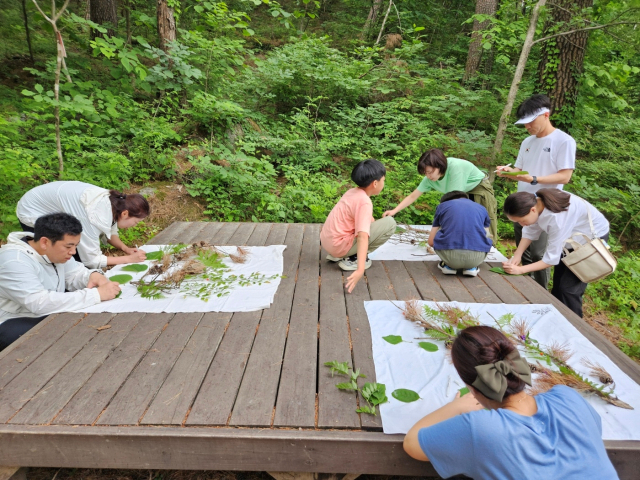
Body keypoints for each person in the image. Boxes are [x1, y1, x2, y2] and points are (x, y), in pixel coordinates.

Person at [403, 326, 619, 480]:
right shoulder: (567, 396)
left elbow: (412, 444)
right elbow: (593, 431)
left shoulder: (480, 427)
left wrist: (457, 407)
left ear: (472, 387)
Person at [0, 213, 122, 351]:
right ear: (45, 242)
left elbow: (75, 274)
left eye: (76, 246)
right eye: (68, 246)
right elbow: (38, 303)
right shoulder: (15, 261)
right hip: (10, 322)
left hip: (44, 313)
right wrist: (96, 295)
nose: (73, 252)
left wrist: (93, 275)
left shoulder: (54, 252)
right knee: (66, 335)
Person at [496, 94, 577, 289]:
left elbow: (564, 176)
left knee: (539, 254)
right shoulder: (527, 142)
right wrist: (508, 172)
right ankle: (526, 287)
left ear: (546, 115)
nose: (527, 127)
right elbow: (520, 171)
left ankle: (542, 292)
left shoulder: (563, 141)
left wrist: (534, 179)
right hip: (522, 204)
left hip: (544, 208)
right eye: (524, 123)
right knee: (522, 250)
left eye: (530, 122)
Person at [502, 188, 609, 318]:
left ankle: (575, 326)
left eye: (521, 220)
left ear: (532, 210)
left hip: (589, 241)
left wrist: (520, 270)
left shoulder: (557, 218)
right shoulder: (535, 203)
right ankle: (558, 318)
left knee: (568, 290)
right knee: (558, 286)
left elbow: (550, 260)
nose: (521, 224)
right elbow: (530, 230)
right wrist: (517, 255)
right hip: (569, 239)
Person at [17, 181, 150, 269]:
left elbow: (111, 229)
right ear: (125, 214)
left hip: (51, 203)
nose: (134, 225)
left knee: (71, 256)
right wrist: (128, 259)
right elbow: (91, 260)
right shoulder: (92, 215)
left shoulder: (115, 204)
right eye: (136, 222)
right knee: (59, 254)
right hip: (33, 210)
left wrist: (125, 249)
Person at [383, 148, 498, 241]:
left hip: (479, 190)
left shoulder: (454, 167)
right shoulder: (429, 179)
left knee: (485, 223)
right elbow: (413, 196)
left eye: (430, 172)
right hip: (461, 195)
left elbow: (455, 202)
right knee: (462, 220)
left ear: (440, 166)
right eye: (425, 173)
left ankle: (489, 251)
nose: (428, 176)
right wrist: (394, 211)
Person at [320, 159, 396, 293]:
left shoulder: (352, 192)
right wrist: (360, 269)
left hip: (328, 242)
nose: (384, 183)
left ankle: (340, 254)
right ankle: (352, 259)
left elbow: (368, 221)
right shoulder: (364, 202)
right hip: (339, 246)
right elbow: (362, 237)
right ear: (375, 183)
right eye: (383, 180)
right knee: (390, 223)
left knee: (373, 226)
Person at [427, 191, 493, 277]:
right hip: (476, 258)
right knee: (485, 233)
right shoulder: (482, 208)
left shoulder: (442, 206)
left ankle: (448, 266)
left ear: (446, 201)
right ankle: (471, 267)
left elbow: (431, 242)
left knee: (442, 227)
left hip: (450, 258)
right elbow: (486, 235)